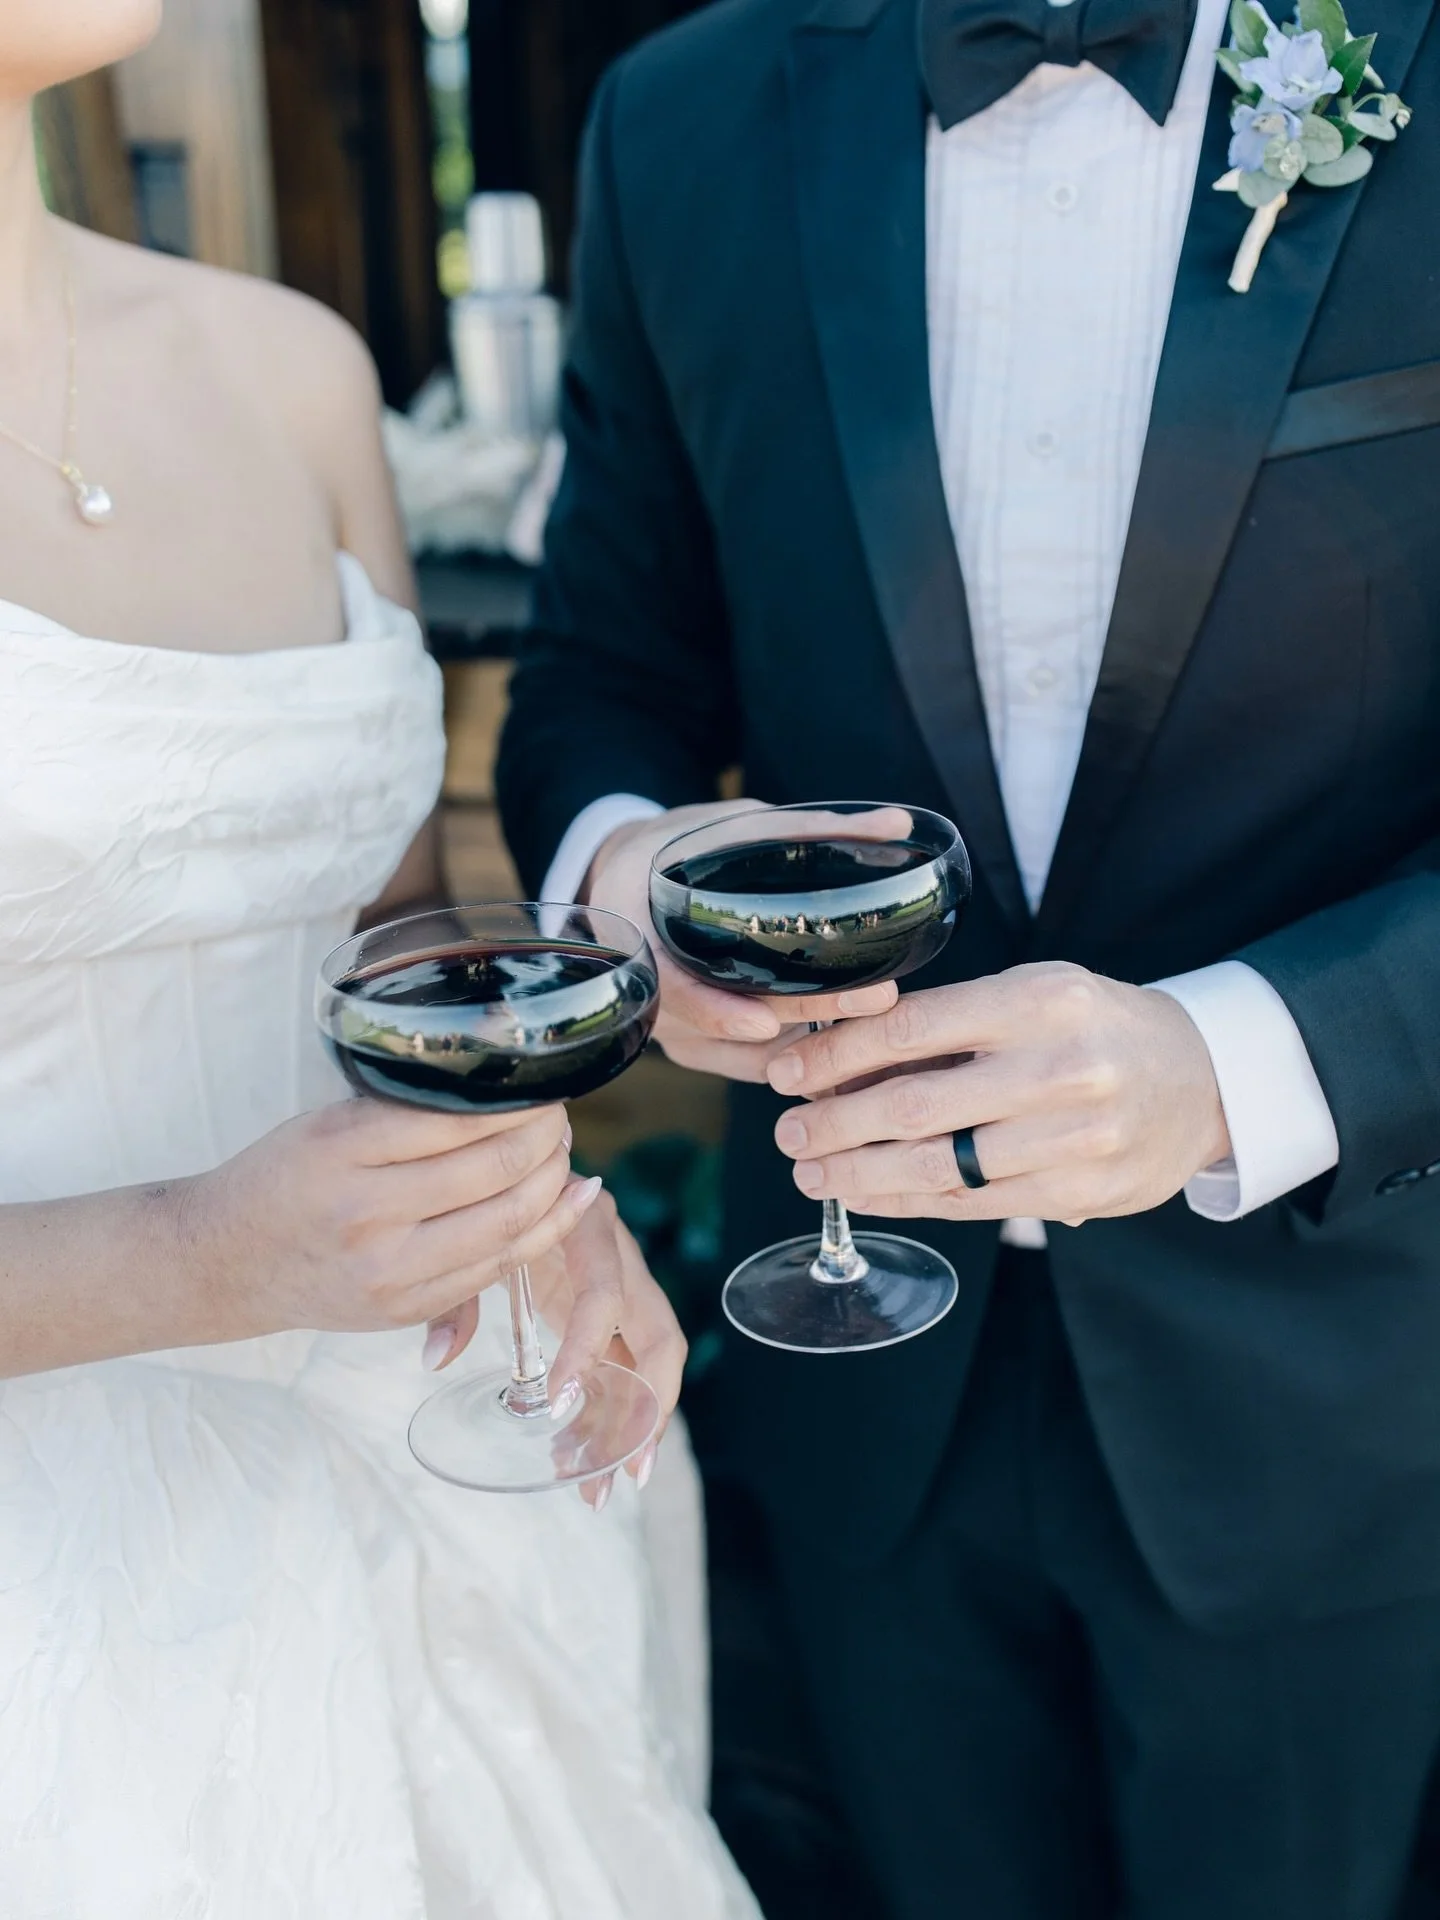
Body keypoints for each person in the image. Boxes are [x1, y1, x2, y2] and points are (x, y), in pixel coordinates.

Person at [495, 0, 1440, 1912]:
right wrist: (622, 878)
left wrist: (1233, 1064)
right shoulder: (677, 124)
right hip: (857, 1382)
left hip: (1331, 1396)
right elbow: (599, 676)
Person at [0, 9, 760, 1918]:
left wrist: (520, 1203)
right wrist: (193, 1255)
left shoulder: (295, 372)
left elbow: (393, 956)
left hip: (428, 1464)